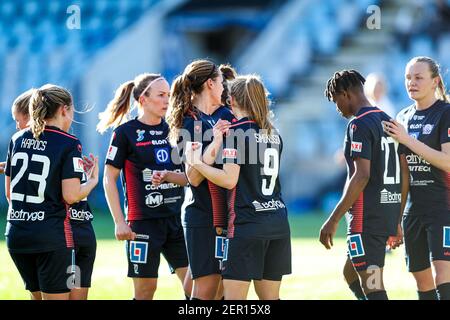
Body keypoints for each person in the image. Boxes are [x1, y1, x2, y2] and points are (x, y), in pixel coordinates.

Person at [184, 74, 291, 300]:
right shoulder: (273, 134)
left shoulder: (236, 132)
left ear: (231, 100)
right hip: (278, 223)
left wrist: (196, 163)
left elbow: (228, 179)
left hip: (247, 225)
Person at [97, 73, 191, 300]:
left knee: (195, 287)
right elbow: (109, 178)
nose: (167, 100)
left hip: (178, 221)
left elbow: (189, 174)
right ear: (143, 99)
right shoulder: (125, 133)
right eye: (161, 95)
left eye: (169, 95)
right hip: (143, 225)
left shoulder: (175, 129)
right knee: (146, 290)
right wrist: (120, 222)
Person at [4, 84, 99, 300]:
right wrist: (92, 180)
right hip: (51, 238)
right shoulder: (69, 142)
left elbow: (10, 194)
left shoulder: (16, 139)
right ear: (64, 109)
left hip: (17, 235)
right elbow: (72, 195)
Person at [319, 70, 407, 300]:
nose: (337, 107)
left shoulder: (358, 124)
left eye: (336, 99)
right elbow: (404, 173)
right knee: (350, 272)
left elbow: (361, 176)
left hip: (366, 219)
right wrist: (396, 218)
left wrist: (333, 219)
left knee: (373, 285)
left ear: (346, 94)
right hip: (385, 212)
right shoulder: (388, 119)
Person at [166, 60, 236, 300]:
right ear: (209, 83)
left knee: (221, 289)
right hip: (203, 215)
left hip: (227, 214)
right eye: (221, 83)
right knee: (205, 290)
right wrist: (215, 143)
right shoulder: (191, 121)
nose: (224, 89)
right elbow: (193, 177)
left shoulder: (224, 115)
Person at [383, 56, 450, 300]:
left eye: (418, 77)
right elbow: (404, 174)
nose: (412, 82)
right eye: (408, 78)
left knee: (443, 275)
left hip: (443, 207)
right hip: (414, 210)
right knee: (422, 281)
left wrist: (408, 140)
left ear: (435, 82)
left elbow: (448, 162)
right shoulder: (403, 117)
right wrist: (397, 218)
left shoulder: (446, 113)